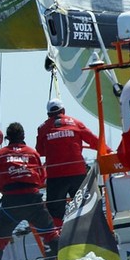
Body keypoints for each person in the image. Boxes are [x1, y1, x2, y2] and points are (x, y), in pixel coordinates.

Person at [0, 122, 60, 260]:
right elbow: (42, 177)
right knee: (51, 234)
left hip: (11, 204)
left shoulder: (0, 154)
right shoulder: (32, 153)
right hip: (33, 202)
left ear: (7, 138)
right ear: (23, 137)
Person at [36, 98, 100, 229]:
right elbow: (95, 141)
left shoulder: (42, 128)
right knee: (83, 206)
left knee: (55, 212)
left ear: (48, 114)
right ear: (63, 110)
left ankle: (57, 238)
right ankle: (88, 231)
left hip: (55, 176)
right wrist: (110, 151)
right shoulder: (76, 123)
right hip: (77, 173)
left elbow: (39, 151)